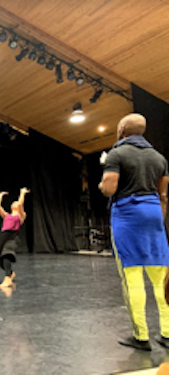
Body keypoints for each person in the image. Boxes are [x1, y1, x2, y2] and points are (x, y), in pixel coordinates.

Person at [99, 113, 169, 351]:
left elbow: (109, 189)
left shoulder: (116, 154)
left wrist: (101, 182)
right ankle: (167, 334)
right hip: (154, 216)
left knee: (132, 278)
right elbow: (163, 195)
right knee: (161, 279)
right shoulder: (160, 158)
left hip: (128, 216)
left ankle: (141, 336)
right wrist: (159, 221)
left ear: (121, 129)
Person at [0, 188, 30, 289]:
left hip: (12, 237)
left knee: (6, 253)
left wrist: (22, 193)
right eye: (13, 202)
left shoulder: (21, 216)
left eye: (16, 202)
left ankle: (7, 279)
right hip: (3, 237)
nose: (15, 203)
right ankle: (10, 273)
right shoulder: (6, 215)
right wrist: (0, 195)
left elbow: (20, 204)